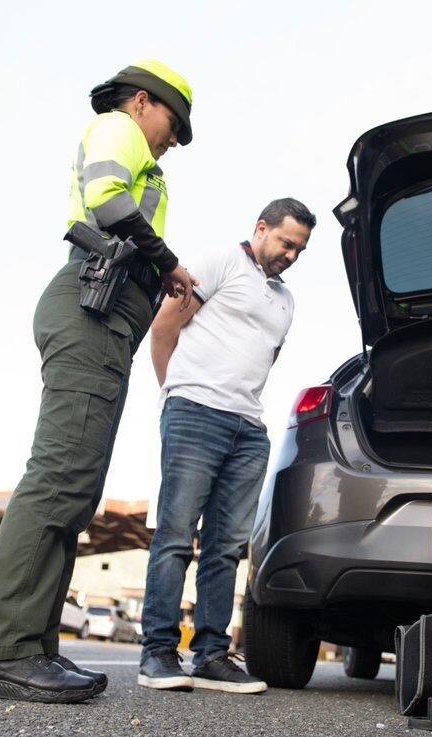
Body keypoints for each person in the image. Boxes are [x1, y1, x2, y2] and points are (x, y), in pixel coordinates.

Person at [0, 59, 199, 704]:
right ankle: (3, 649)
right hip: (93, 305)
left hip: (110, 316)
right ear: (143, 102)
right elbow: (108, 201)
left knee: (77, 488)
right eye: (174, 125)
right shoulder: (117, 127)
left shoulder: (143, 142)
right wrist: (169, 264)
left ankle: (31, 647)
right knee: (60, 476)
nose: (174, 141)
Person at [137, 199, 316, 693]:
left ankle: (212, 655)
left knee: (225, 549)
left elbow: (264, 361)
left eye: (300, 249)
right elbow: (164, 327)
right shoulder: (220, 262)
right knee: (176, 535)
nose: (291, 255)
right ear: (261, 228)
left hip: (248, 428)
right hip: (194, 412)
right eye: (286, 243)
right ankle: (156, 655)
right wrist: (174, 393)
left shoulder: (286, 300)